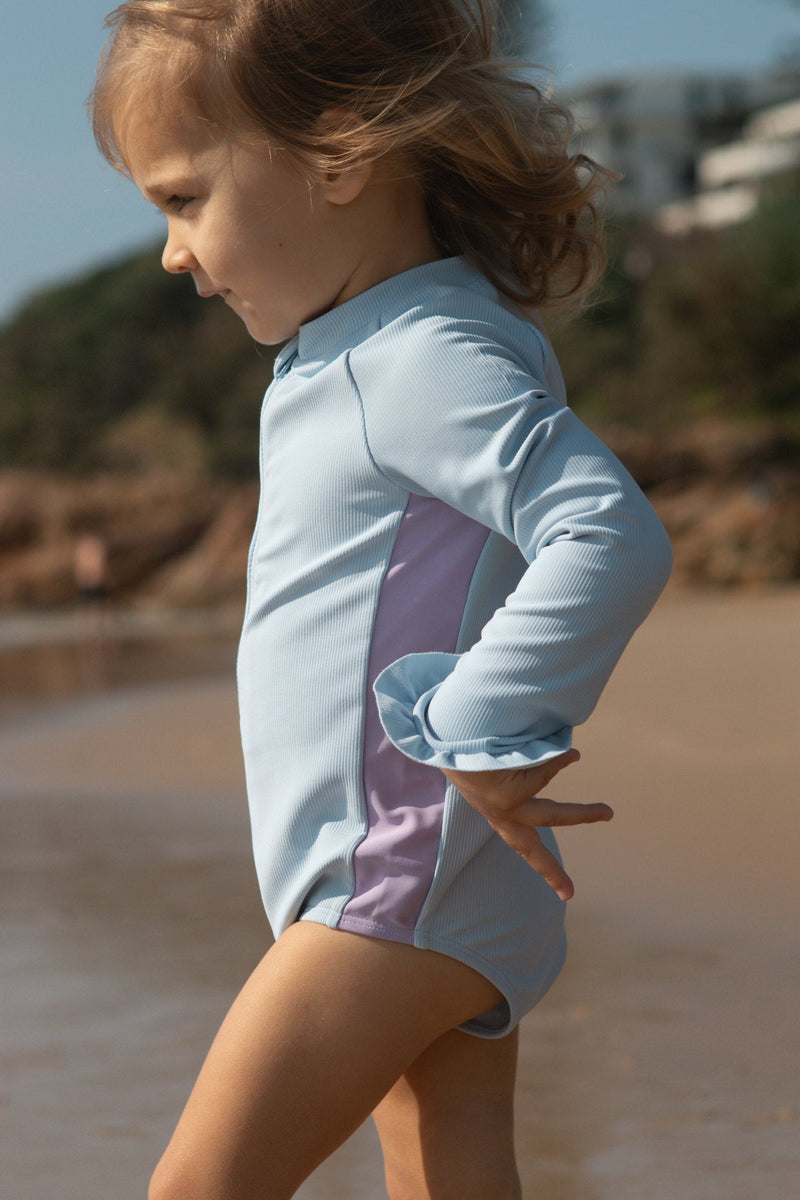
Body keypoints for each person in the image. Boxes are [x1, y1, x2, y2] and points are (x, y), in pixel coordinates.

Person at [91, 3, 672, 1197]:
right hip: (412, 873)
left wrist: (489, 732)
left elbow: (604, 528)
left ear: (340, 156)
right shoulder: (380, 344)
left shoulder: (414, 356)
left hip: (391, 875)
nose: (172, 252)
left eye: (183, 197)